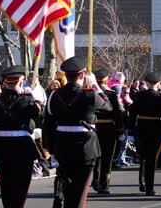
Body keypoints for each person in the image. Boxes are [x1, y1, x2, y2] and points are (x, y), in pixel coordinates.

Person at [44, 56, 112, 208]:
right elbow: (108, 106)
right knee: (80, 190)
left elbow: (48, 122)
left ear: (66, 76)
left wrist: (50, 148)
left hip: (62, 145)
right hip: (86, 147)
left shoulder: (54, 94)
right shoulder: (90, 94)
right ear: (82, 75)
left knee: (67, 185)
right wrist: (95, 84)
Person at [0, 65, 43, 207]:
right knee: (20, 189)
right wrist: (35, 98)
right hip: (23, 149)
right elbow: (41, 114)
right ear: (21, 82)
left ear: (5, 82)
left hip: (2, 148)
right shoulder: (27, 100)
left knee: (7, 187)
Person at [129, 72, 161, 196]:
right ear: (158, 83)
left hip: (142, 128)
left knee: (142, 157)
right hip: (156, 130)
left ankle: (142, 183)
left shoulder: (139, 95)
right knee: (151, 159)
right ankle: (149, 188)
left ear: (147, 83)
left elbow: (132, 113)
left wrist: (131, 128)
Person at [91, 68, 125, 194]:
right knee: (107, 158)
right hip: (109, 129)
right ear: (106, 79)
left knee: (96, 157)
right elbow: (117, 113)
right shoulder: (110, 94)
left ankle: (95, 181)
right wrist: (120, 129)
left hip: (93, 129)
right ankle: (103, 185)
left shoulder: (91, 92)